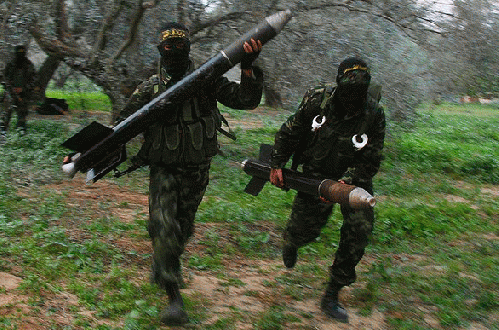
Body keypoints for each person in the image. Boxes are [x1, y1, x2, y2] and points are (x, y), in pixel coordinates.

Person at [116, 22, 264, 325]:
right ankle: (174, 296)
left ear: (189, 48)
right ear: (160, 50)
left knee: (183, 227)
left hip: (197, 168)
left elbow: (245, 100)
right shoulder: (150, 88)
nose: (174, 51)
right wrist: (85, 152)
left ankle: (164, 262)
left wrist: (248, 67)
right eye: (168, 46)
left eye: (180, 45)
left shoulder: (208, 80)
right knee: (164, 225)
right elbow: (119, 125)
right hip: (164, 168)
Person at [269, 57, 385, 322]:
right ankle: (292, 241)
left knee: (359, 230)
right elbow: (292, 129)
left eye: (361, 89)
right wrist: (277, 163)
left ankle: (332, 293)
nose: (354, 96)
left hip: (354, 180)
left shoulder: (374, 113)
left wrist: (349, 180)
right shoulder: (318, 101)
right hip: (316, 173)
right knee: (305, 229)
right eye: (349, 88)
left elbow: (372, 156)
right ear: (338, 85)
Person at [1, 45, 36, 135]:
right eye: (18, 53)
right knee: (6, 114)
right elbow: (4, 79)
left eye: (22, 53)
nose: (20, 55)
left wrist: (23, 89)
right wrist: (10, 88)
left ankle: (21, 134)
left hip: (24, 95)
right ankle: (2, 133)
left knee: (22, 115)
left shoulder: (29, 65)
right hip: (10, 94)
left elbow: (34, 80)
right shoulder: (10, 65)